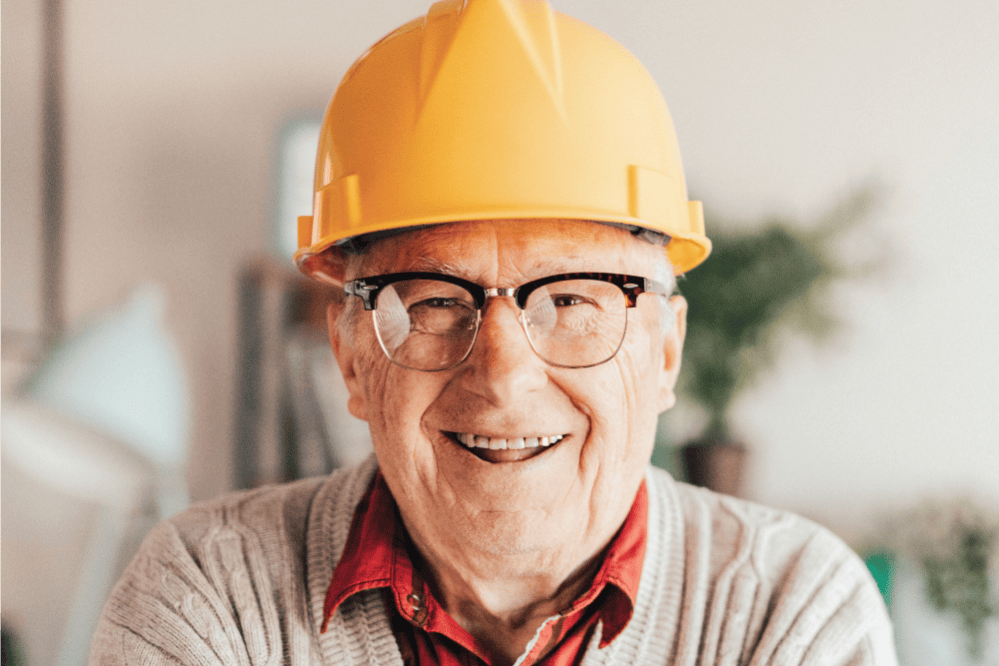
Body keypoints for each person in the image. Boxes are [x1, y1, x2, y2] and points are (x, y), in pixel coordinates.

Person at [89, 0, 897, 664]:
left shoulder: (789, 611)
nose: (503, 376)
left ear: (663, 352)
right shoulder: (208, 597)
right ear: (351, 356)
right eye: (436, 301)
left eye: (574, 301)